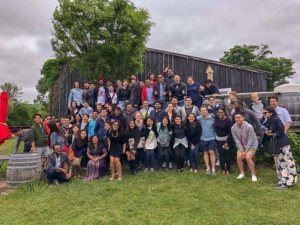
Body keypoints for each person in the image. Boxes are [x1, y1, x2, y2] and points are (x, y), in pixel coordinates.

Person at [264, 107, 297, 190]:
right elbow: (268, 128)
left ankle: (287, 183)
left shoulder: (276, 120)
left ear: (270, 113)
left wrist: (271, 134)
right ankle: (282, 181)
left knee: (286, 163)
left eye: (265, 113)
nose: (263, 114)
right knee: (279, 163)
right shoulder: (269, 120)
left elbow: (281, 132)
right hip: (277, 144)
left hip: (283, 144)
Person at [231, 113, 258, 182]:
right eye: (236, 118)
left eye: (239, 117)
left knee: (248, 157)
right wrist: (242, 151)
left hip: (252, 145)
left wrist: (245, 152)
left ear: (243, 118)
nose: (237, 119)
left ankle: (253, 174)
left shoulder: (249, 126)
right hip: (242, 145)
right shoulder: (233, 127)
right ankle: (242, 173)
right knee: (238, 157)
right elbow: (236, 140)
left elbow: (251, 139)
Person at [197, 107, 217, 175]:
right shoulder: (199, 119)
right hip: (203, 138)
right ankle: (208, 168)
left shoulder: (212, 118)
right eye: (202, 111)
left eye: (204, 110)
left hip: (211, 138)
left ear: (207, 111)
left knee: (211, 152)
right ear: (200, 112)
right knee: (205, 152)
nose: (203, 112)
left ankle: (213, 168)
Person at [214, 108, 234, 175]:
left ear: (224, 112)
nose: (220, 113)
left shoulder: (228, 121)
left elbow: (231, 133)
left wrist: (226, 143)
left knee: (228, 155)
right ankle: (223, 169)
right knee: (221, 155)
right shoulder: (216, 119)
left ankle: (228, 169)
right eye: (219, 112)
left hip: (227, 140)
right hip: (218, 140)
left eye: (221, 112)